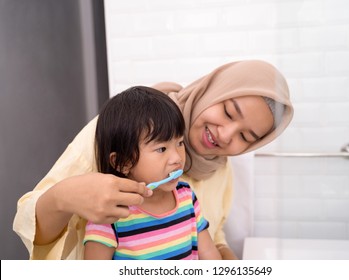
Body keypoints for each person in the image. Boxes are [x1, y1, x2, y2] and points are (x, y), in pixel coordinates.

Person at [13, 60, 294, 260]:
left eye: (246, 137)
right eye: (229, 112)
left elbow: (210, 236)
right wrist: (65, 196)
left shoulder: (218, 169)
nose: (226, 135)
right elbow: (31, 223)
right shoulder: (123, 131)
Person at [83, 86, 221, 260]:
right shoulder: (109, 213)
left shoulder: (186, 197)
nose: (177, 158)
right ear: (123, 163)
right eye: (161, 148)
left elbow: (208, 253)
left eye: (179, 143)